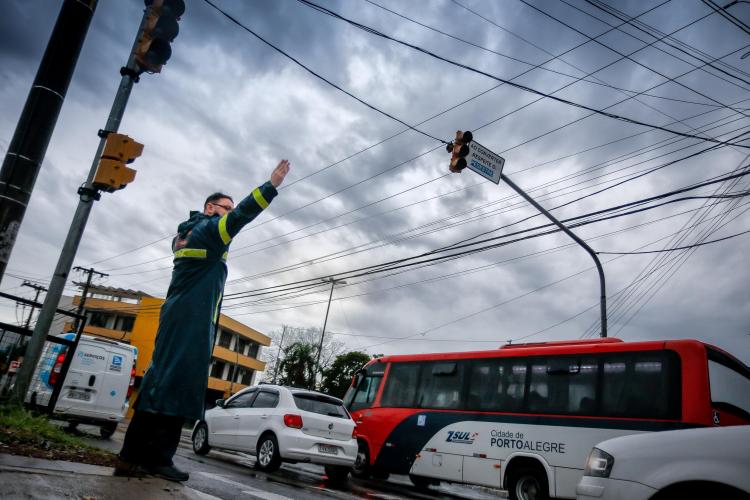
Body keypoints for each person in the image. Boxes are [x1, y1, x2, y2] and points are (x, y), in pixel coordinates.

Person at [117, 160, 291, 481]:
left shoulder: (187, 233)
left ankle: (132, 456)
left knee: (162, 382)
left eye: (229, 207)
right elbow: (239, 219)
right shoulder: (209, 231)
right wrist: (270, 187)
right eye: (225, 207)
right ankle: (156, 458)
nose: (229, 211)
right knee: (178, 386)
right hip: (192, 320)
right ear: (210, 208)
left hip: (181, 316)